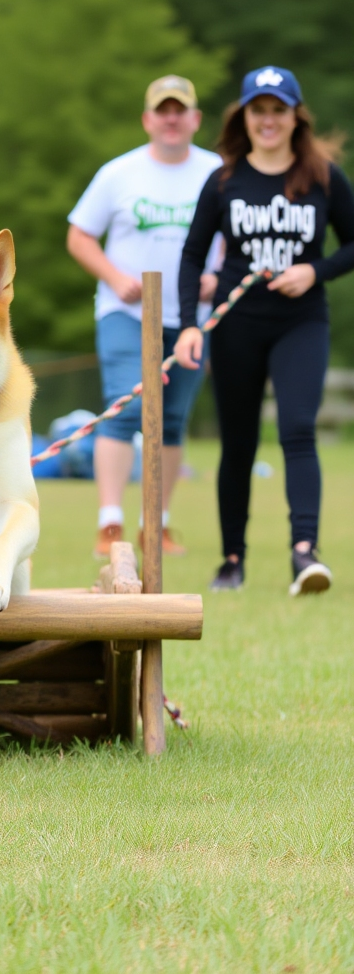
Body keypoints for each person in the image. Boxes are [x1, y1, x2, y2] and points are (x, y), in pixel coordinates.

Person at [175, 66, 354, 596]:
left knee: (298, 428)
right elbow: (191, 256)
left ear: (295, 116)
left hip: (301, 322)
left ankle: (305, 554)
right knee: (239, 443)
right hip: (235, 324)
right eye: (259, 110)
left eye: (279, 109)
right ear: (245, 117)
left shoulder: (322, 175)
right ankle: (233, 561)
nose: (269, 120)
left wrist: (313, 271)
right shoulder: (225, 179)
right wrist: (189, 325)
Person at [67, 75, 222, 559]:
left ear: (196, 119)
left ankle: (156, 523)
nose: (171, 118)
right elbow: (79, 235)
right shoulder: (119, 173)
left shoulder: (219, 173)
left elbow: (239, 239)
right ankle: (109, 523)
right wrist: (114, 278)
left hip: (192, 315)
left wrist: (218, 278)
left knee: (171, 421)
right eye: (163, 110)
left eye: (181, 110)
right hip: (127, 312)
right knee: (125, 407)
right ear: (148, 119)